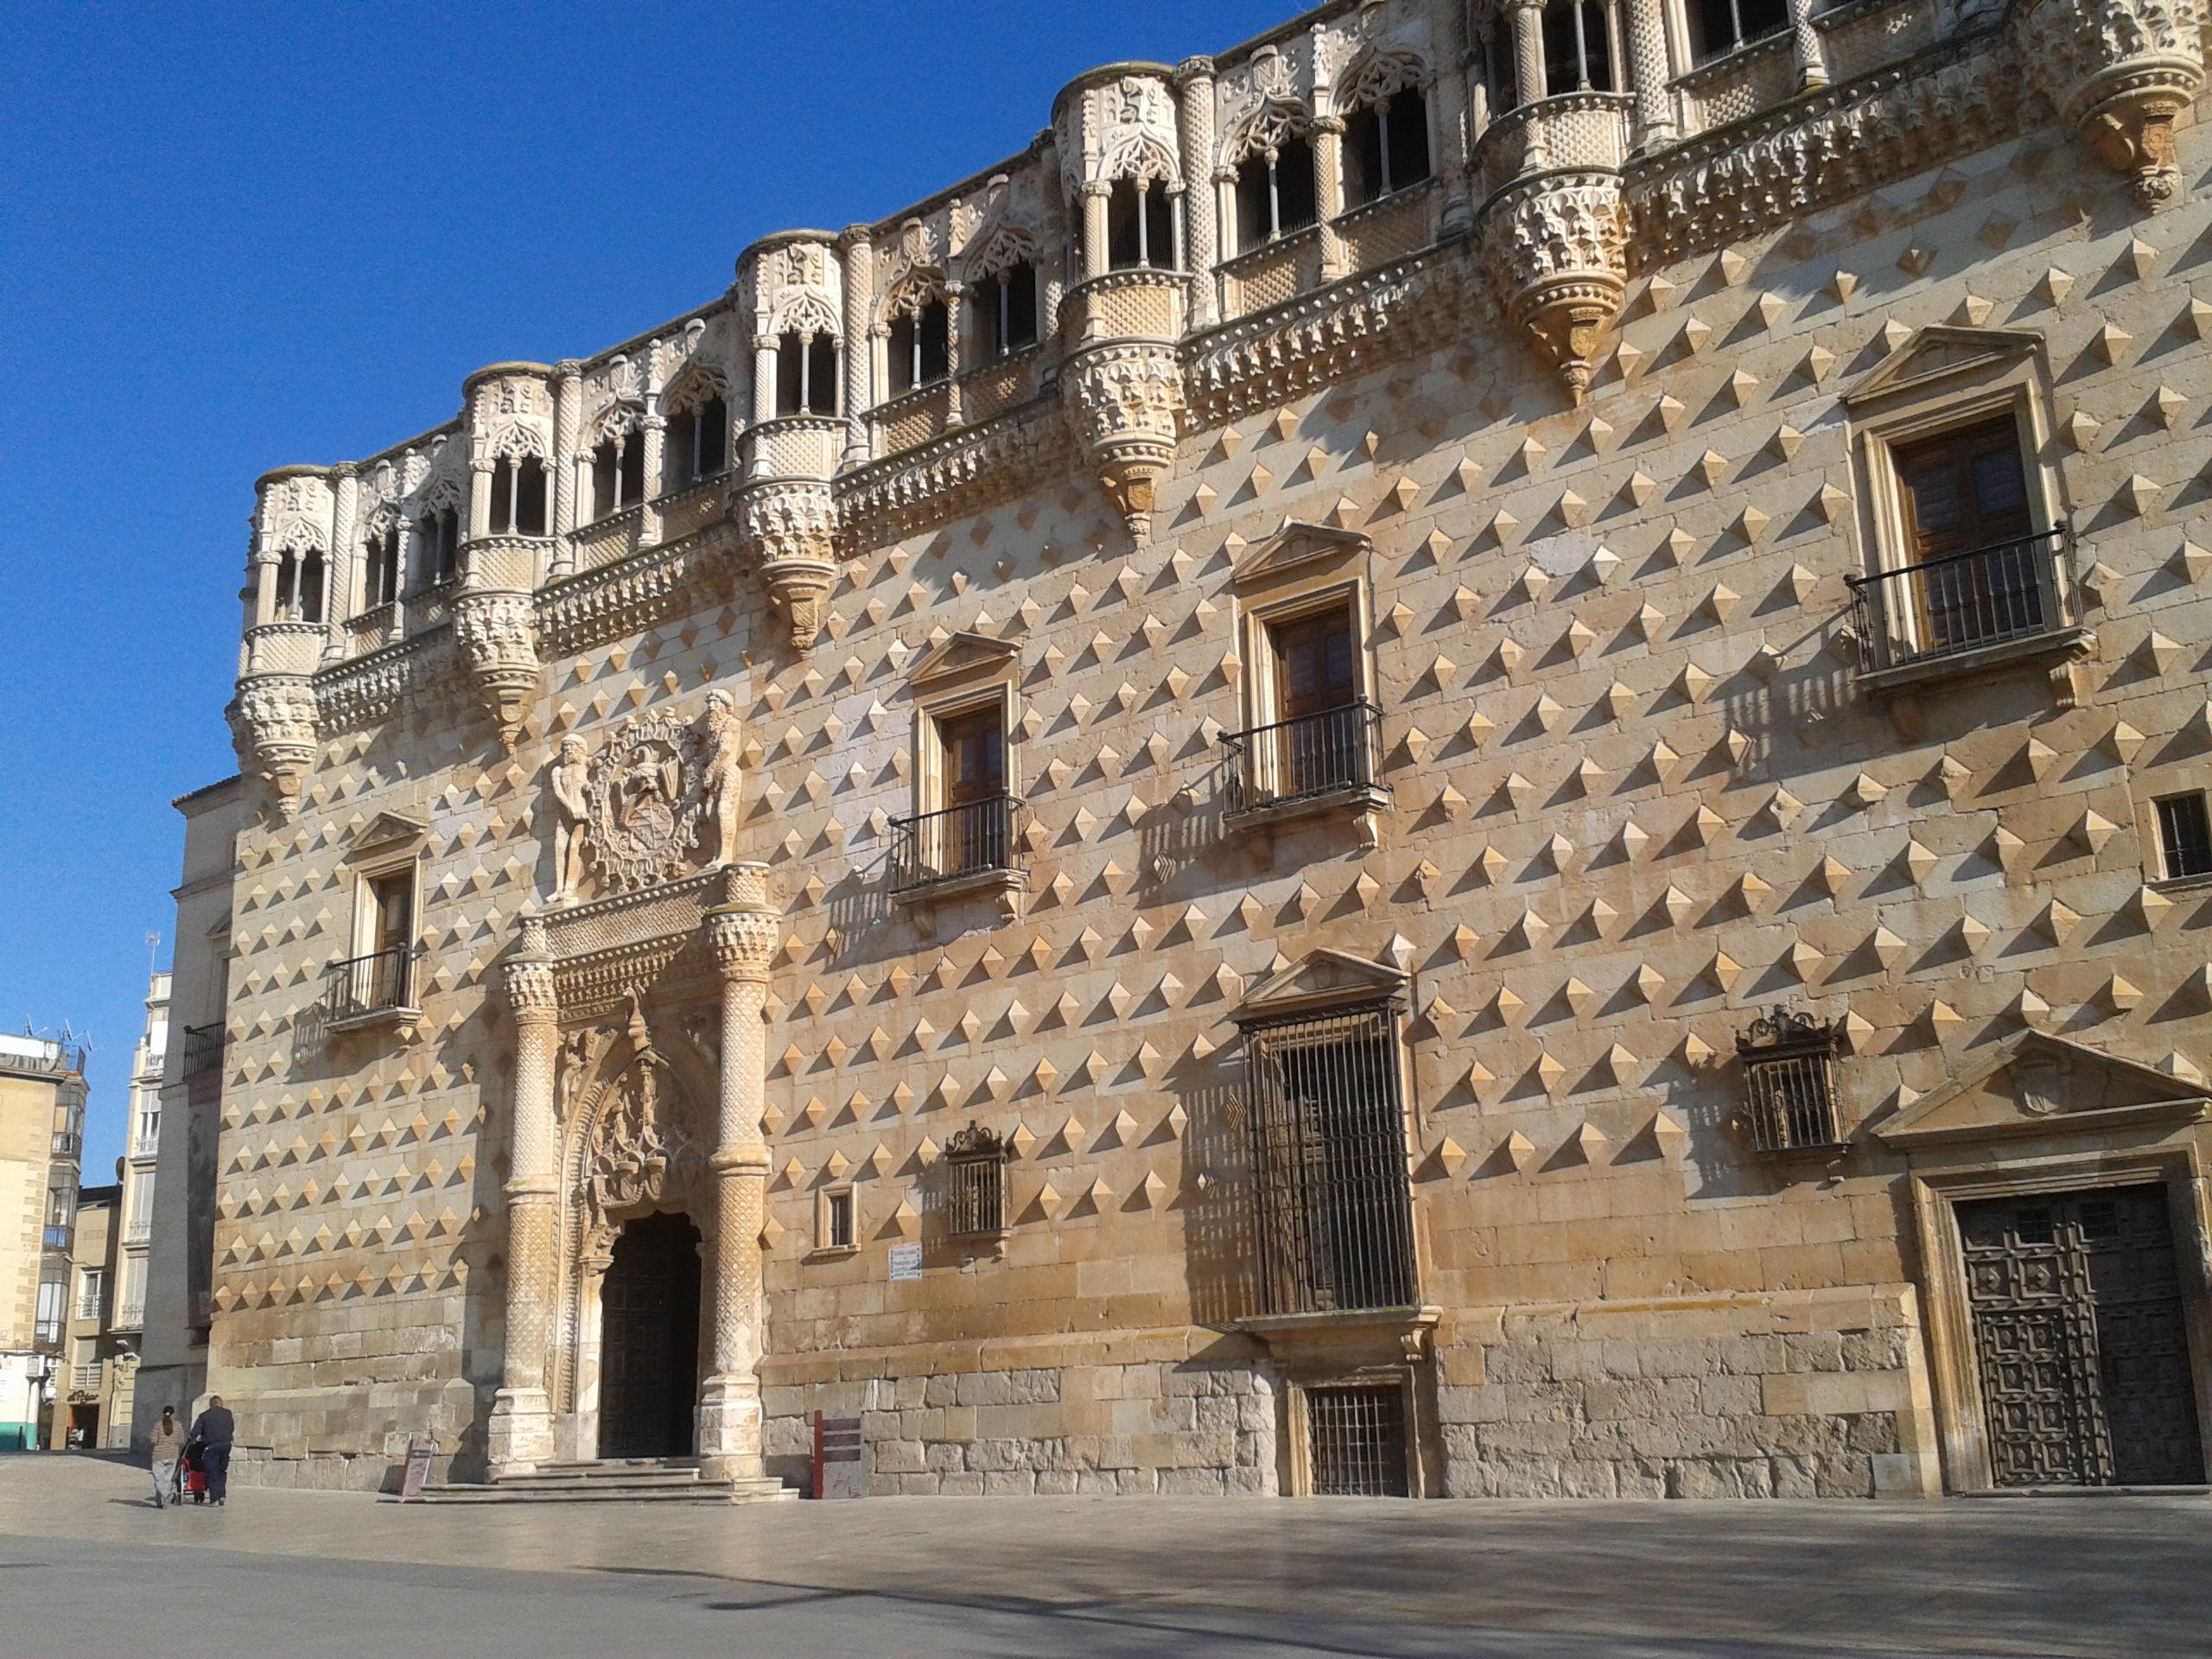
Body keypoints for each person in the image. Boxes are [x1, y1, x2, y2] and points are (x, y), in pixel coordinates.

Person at [188, 1396, 235, 1507]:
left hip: (212, 1446)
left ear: (211, 1404)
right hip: (226, 1445)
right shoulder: (228, 1413)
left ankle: (214, 1498)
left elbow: (195, 1432)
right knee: (222, 1469)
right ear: (221, 1403)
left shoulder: (204, 1416)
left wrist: (193, 1439)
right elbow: (232, 1428)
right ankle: (222, 1494)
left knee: (212, 1471)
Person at [149, 1406, 186, 1510]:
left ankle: (166, 1496)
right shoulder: (178, 1425)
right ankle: (159, 1501)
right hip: (173, 1454)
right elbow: (181, 1440)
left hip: (159, 1455)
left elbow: (153, 1440)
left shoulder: (158, 1425)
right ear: (173, 1414)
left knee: (159, 1479)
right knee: (167, 1479)